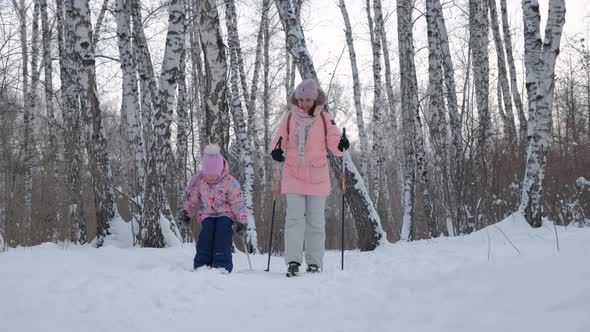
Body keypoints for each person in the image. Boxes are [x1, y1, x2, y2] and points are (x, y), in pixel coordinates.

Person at [270, 79, 350, 276]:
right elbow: (278, 139)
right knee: (294, 221)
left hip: (317, 176)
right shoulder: (289, 118)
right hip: (293, 175)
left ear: (315, 100)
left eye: (308, 100)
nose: (304, 103)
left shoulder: (324, 118)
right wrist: (276, 151)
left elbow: (335, 144)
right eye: (301, 99)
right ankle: (293, 261)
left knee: (315, 222)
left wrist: (341, 145)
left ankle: (314, 262)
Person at [181, 143, 248, 273]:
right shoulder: (200, 182)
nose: (210, 178)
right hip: (207, 214)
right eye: (208, 175)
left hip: (226, 214)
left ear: (220, 170)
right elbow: (193, 200)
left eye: (214, 175)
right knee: (206, 233)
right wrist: (187, 213)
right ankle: (202, 263)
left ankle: (221, 264)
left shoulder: (230, 182)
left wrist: (242, 221)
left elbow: (238, 202)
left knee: (222, 232)